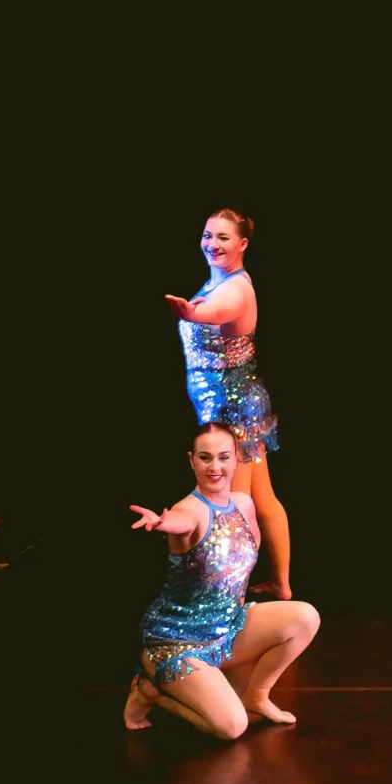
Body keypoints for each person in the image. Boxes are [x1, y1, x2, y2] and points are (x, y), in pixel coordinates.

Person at [124, 421, 321, 737]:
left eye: (223, 457)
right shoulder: (188, 510)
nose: (215, 467)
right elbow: (182, 521)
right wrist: (161, 522)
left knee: (306, 617)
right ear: (192, 461)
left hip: (226, 628)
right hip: (176, 642)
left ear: (236, 459)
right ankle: (149, 691)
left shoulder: (243, 504)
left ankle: (257, 695)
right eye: (205, 458)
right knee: (231, 727)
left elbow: (246, 554)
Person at [164, 208, 293, 598]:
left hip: (231, 409)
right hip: (237, 403)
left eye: (223, 237)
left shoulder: (236, 289)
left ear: (242, 244)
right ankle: (281, 585)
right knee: (262, 499)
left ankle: (230, 599)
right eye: (208, 235)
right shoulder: (219, 280)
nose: (212, 244)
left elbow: (216, 312)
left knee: (234, 506)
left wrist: (193, 313)